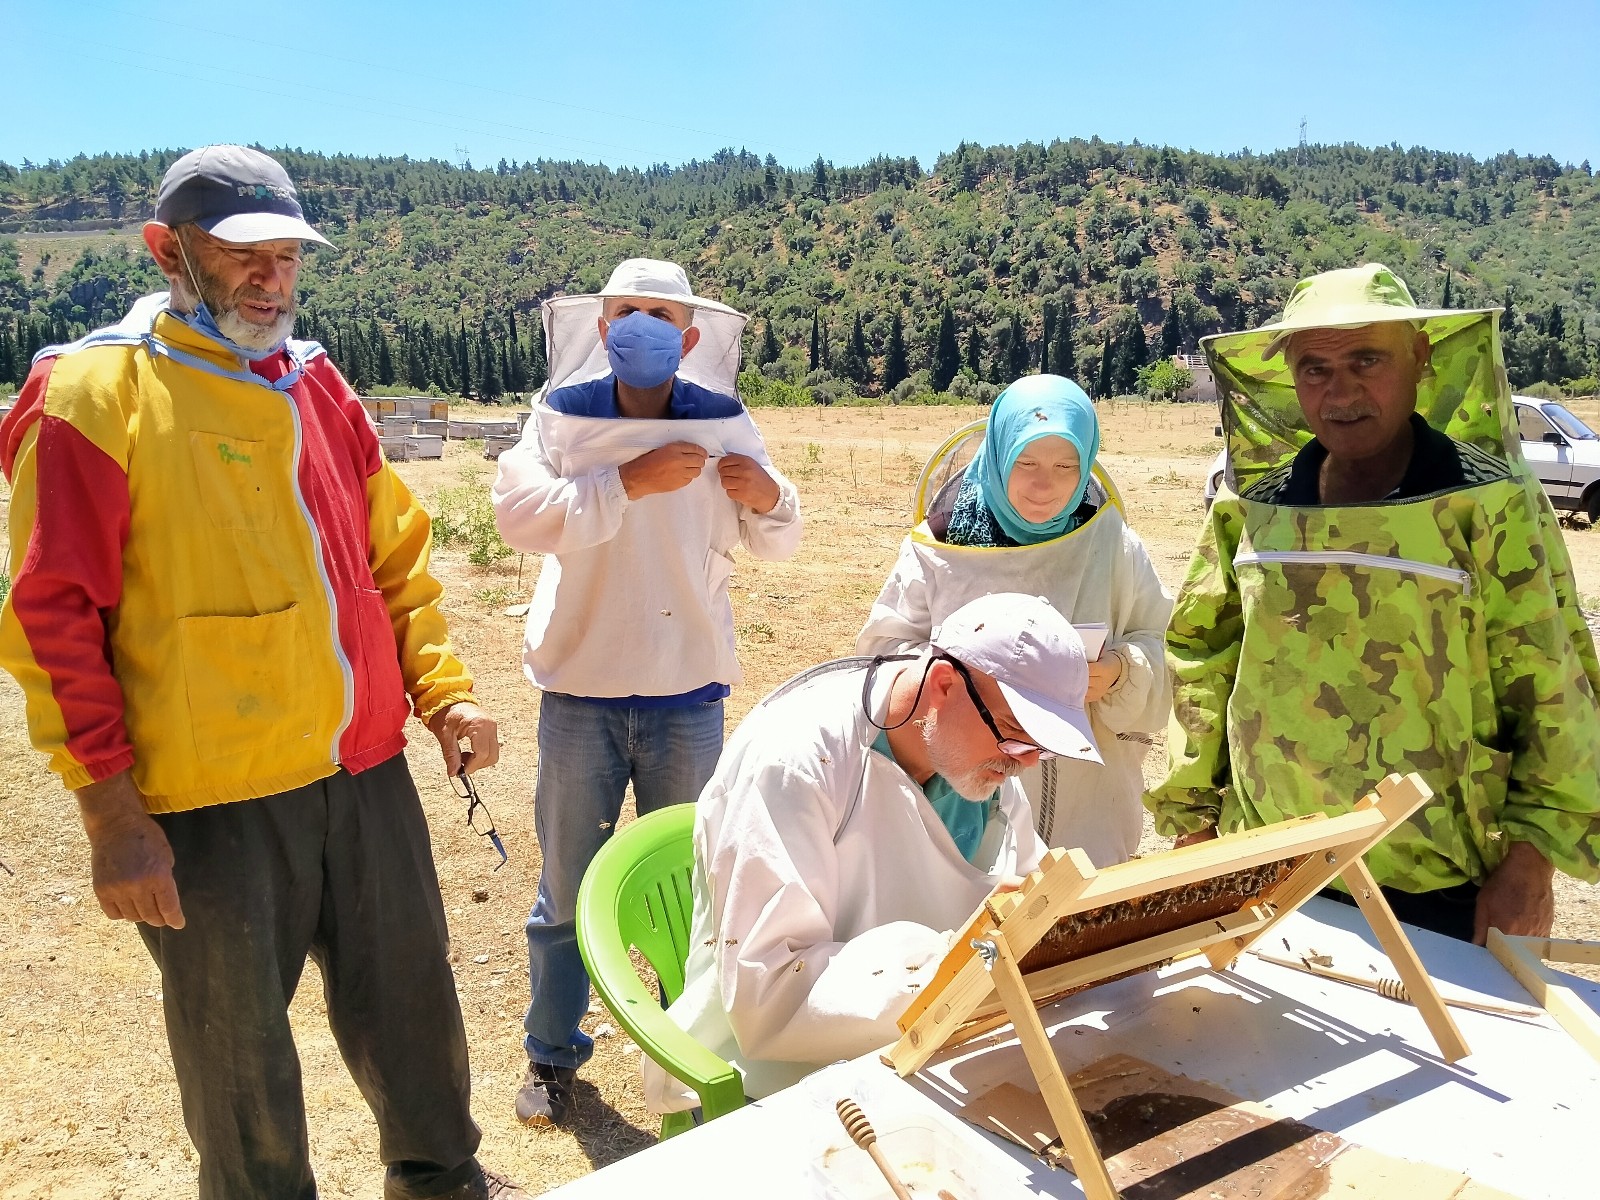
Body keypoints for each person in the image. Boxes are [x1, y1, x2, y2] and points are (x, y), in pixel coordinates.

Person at [0, 146, 522, 1199]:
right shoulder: (94, 390)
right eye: (243, 258)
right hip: (211, 801)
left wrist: (443, 687)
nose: (270, 280)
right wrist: (111, 817)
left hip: (363, 773)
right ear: (167, 252)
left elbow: (394, 558)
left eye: (285, 258)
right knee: (244, 1088)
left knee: (417, 1029)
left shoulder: (316, 380)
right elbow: (50, 615)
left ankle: (442, 1185)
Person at [1146, 262, 1600, 945]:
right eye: (1315, 368)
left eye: (1367, 359)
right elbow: (1201, 653)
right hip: (1267, 868)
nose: (1341, 391)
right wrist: (1195, 825)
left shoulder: (1489, 503)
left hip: (1438, 884)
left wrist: (1532, 860)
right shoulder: (1254, 506)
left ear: (1420, 357)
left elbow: (1551, 681)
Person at [491, 258, 802, 1126]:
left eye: (661, 315)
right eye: (627, 311)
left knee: (695, 889)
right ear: (602, 325)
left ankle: (693, 1056)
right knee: (565, 885)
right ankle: (553, 1059)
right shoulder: (558, 419)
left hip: (686, 693)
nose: (643, 327)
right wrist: (627, 481)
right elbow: (519, 516)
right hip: (581, 691)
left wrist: (768, 494)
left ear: (691, 336)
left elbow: (778, 538)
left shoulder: (726, 422)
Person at [641, 592, 1101, 1111]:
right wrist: (949, 963)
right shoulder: (796, 761)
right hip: (780, 1082)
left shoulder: (975, 753)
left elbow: (1022, 885)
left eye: (1040, 746)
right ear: (944, 685)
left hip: (930, 1044)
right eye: (1018, 739)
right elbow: (769, 996)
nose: (1026, 763)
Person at [857, 374, 1171, 866]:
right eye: (1026, 462)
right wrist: (964, 684)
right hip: (960, 789)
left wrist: (1118, 672)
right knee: (968, 918)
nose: (1045, 484)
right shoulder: (941, 544)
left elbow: (1160, 640)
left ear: (1087, 462)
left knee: (1074, 912)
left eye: (1066, 465)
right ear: (1000, 452)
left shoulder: (1112, 542)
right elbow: (883, 656)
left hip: (1085, 794)